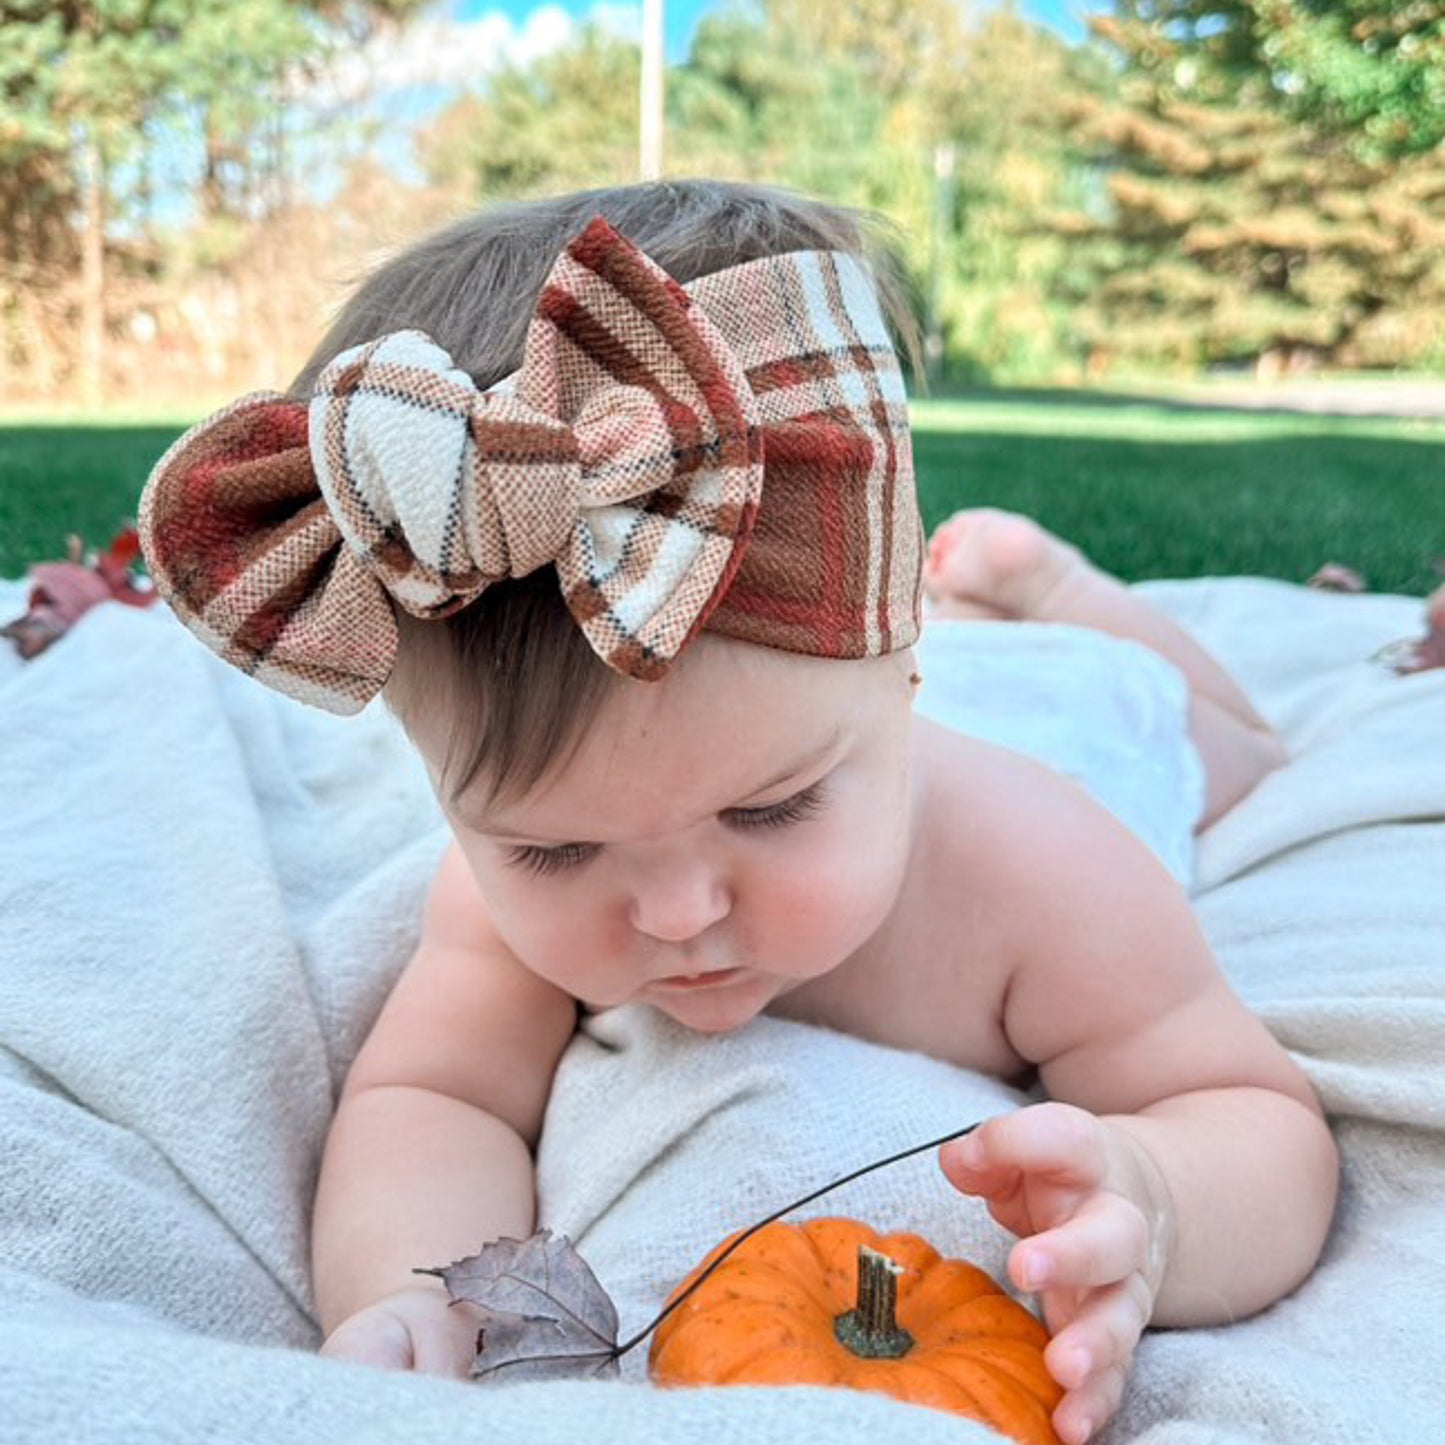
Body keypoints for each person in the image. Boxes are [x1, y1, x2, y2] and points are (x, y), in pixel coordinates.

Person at [137, 180, 1337, 1445]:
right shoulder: (516, 892)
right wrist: (405, 1291)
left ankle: (1051, 583)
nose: (677, 911)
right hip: (894, 681)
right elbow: (437, 1096)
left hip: (1084, 710)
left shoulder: (1042, 873)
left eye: (772, 811)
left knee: (1237, 746)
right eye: (554, 845)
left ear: (897, 675)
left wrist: (1156, 1200)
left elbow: (1251, 1117)